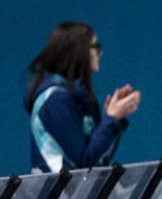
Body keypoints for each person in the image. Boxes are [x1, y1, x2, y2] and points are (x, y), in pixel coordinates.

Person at [25, 21, 141, 174]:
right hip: (58, 196)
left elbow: (99, 161)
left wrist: (113, 120)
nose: (100, 53)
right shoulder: (56, 100)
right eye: (96, 46)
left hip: (74, 195)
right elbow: (84, 165)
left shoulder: (77, 98)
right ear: (79, 50)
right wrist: (112, 119)